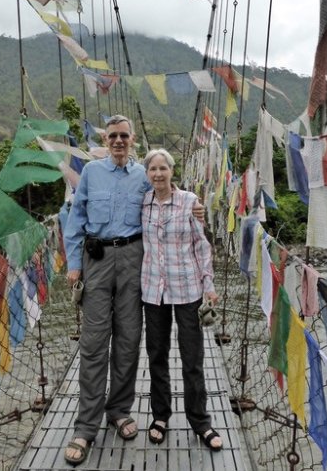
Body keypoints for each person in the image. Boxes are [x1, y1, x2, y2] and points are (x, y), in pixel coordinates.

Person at [63, 115, 204, 466]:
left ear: (133, 138)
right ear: (105, 139)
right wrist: (73, 262)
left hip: (135, 258)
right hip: (95, 259)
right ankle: (85, 427)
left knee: (128, 339)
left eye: (124, 135)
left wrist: (196, 205)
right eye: (112, 136)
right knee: (95, 342)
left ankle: (119, 410)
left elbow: (168, 193)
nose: (118, 141)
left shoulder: (145, 173)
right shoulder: (92, 173)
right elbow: (75, 216)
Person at [141, 148, 223, 452]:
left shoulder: (190, 202)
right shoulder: (143, 202)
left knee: (192, 358)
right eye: (153, 169)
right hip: (153, 290)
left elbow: (202, 247)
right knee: (156, 355)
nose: (158, 174)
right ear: (147, 174)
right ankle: (160, 416)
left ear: (171, 171)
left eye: (163, 168)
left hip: (188, 289)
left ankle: (200, 421)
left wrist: (209, 284)